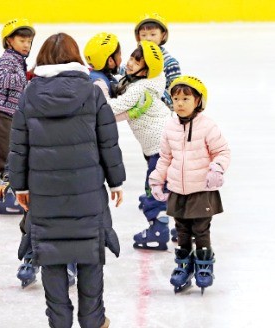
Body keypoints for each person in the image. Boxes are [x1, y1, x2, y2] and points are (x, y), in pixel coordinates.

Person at [9, 32, 124, 328]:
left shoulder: (29, 94)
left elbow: (18, 146)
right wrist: (116, 182)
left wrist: (20, 187)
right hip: (87, 191)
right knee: (89, 254)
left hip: (45, 194)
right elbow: (108, 141)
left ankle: (59, 322)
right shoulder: (93, 92)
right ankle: (93, 319)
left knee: (52, 257)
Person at [149, 76, 230, 294]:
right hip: (178, 189)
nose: (180, 103)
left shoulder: (207, 126)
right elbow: (165, 157)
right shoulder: (170, 127)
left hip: (201, 190)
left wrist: (217, 168)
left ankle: (204, 266)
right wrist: (157, 180)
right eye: (176, 99)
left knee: (201, 230)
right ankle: (183, 265)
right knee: (182, 230)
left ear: (198, 101)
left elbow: (222, 151)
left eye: (186, 98)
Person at [98, 41, 171, 251]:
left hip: (160, 147)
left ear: (146, 70)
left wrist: (99, 91)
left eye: (136, 61)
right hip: (160, 145)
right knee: (166, 184)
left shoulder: (139, 88)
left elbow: (110, 108)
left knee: (155, 186)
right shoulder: (147, 80)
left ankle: (158, 228)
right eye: (131, 57)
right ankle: (174, 219)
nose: (129, 63)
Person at [0, 18, 35, 215]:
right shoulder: (7, 59)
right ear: (9, 41)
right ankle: (5, 197)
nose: (26, 45)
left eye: (29, 42)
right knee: (7, 159)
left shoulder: (18, 61)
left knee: (12, 158)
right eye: (22, 40)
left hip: (8, 115)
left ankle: (9, 194)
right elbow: (4, 79)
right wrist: (27, 77)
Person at [133, 13, 181, 108]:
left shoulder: (170, 63)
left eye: (153, 34)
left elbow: (176, 97)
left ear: (163, 35)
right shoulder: (136, 58)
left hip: (159, 115)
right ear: (138, 37)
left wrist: (151, 97)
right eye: (143, 35)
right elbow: (125, 71)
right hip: (137, 115)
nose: (148, 38)